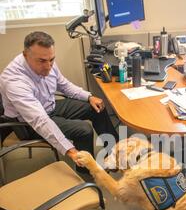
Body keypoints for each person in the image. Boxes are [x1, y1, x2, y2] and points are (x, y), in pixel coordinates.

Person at [0, 31, 118, 170]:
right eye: (42, 61)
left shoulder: (47, 59)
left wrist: (89, 96)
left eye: (51, 60)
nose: (48, 66)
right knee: (84, 130)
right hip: (28, 124)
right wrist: (71, 151)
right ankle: (87, 171)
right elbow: (40, 120)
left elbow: (64, 85)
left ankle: (115, 153)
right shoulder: (14, 81)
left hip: (49, 106)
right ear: (25, 55)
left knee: (98, 107)